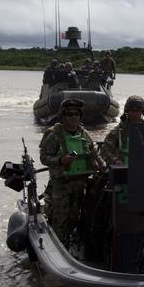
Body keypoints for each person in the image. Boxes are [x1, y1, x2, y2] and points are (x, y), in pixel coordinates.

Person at [39, 98, 103, 245]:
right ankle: (60, 248)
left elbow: (94, 151)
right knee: (60, 219)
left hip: (80, 184)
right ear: (63, 116)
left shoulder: (83, 133)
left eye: (77, 114)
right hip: (61, 185)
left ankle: (70, 243)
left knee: (75, 217)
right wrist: (60, 161)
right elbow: (44, 157)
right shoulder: (55, 135)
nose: (74, 117)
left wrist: (101, 163)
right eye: (70, 114)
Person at [101, 95, 144, 165]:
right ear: (127, 112)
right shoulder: (119, 131)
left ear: (142, 112)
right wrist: (115, 161)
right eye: (132, 110)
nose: (135, 113)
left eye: (138, 110)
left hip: (143, 167)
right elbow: (105, 150)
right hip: (123, 169)